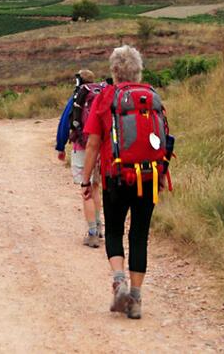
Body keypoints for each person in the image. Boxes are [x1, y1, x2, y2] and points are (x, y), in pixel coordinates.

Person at [80, 45, 164, 319]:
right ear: (138, 71)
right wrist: (161, 175)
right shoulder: (152, 97)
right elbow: (161, 141)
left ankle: (119, 281)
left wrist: (85, 179)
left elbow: (92, 143)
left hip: (114, 177)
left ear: (114, 71)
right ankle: (136, 300)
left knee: (114, 230)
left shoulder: (106, 97)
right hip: (148, 177)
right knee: (139, 235)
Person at [59, 69, 105, 248]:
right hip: (100, 147)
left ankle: (92, 233)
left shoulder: (78, 97)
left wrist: (60, 147)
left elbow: (64, 123)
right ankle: (100, 226)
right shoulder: (101, 94)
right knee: (95, 187)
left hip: (81, 147)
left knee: (85, 190)